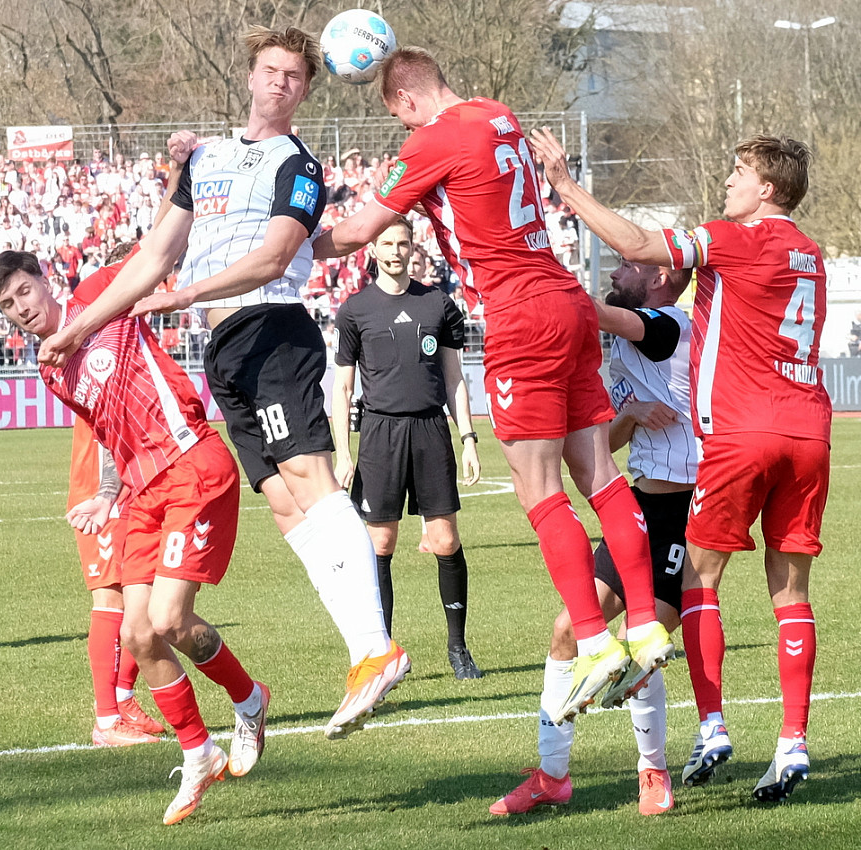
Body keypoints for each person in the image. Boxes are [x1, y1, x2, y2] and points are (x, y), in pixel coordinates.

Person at [36, 25, 408, 742]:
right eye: (270, 70)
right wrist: (80, 326)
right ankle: (364, 657)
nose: (280, 83)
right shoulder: (204, 157)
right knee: (285, 505)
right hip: (226, 348)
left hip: (272, 329)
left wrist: (183, 294)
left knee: (310, 477)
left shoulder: (298, 165)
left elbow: (273, 259)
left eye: (294, 76)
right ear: (250, 77)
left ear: (305, 90)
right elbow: (152, 255)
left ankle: (375, 646)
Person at [313, 47, 672, 724]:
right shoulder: (497, 113)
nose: (404, 130)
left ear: (405, 101)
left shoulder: (431, 139)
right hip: (567, 298)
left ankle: (594, 642)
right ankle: (646, 626)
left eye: (400, 119)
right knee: (601, 476)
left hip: (519, 311)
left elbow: (359, 231)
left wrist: (288, 247)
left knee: (540, 491)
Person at [532, 129, 831, 803]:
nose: (727, 183)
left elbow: (642, 245)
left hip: (742, 432)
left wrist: (565, 185)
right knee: (792, 593)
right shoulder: (811, 254)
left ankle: (712, 727)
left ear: (767, 189)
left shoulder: (734, 240)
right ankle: (792, 740)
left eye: (738, 173)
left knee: (700, 581)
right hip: (810, 428)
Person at [0, 244, 270, 826]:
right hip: (140, 493)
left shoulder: (99, 293)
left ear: (44, 280)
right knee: (138, 635)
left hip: (189, 463)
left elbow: (163, 244)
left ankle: (249, 699)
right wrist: (107, 493)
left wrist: (180, 187)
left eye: (24, 291)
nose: (21, 307)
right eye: (8, 304)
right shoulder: (50, 367)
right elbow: (107, 432)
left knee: (167, 619)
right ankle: (199, 753)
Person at [491, 259, 695, 816]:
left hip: (683, 511)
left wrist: (535, 295)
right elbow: (607, 443)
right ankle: (551, 775)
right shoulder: (620, 348)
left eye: (629, 264)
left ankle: (653, 771)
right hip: (638, 506)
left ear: (659, 277)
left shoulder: (668, 324)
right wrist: (633, 412)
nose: (616, 271)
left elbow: (599, 313)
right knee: (567, 631)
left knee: (640, 647)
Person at [332, 218, 483, 680]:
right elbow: (342, 388)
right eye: (387, 244)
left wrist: (468, 439)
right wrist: (343, 453)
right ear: (373, 251)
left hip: (431, 430)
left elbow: (455, 378)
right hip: (380, 433)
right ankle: (382, 653)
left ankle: (458, 648)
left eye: (402, 243)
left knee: (445, 540)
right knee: (380, 543)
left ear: (413, 248)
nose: (395, 251)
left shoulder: (437, 304)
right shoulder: (355, 310)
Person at [66, 417, 166, 747]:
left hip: (135, 487)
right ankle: (107, 721)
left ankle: (123, 699)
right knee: (111, 597)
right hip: (102, 491)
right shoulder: (98, 382)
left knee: (144, 597)